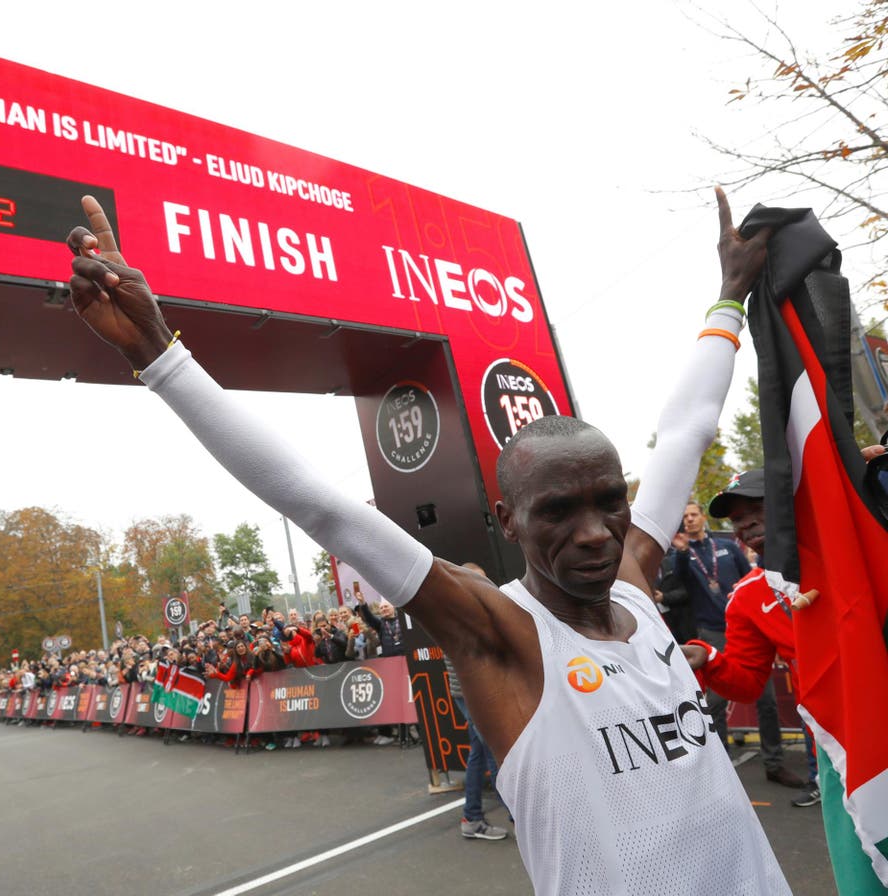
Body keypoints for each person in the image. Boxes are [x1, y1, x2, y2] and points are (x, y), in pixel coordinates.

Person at [64, 190, 789, 893]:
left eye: (609, 502)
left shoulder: (634, 579)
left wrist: (729, 296)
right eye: (559, 512)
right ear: (507, 522)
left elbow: (689, 427)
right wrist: (161, 352)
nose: (596, 532)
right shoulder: (500, 632)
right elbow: (320, 505)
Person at [681, 470, 815, 805]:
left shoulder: (846, 552)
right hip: (833, 741)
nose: (748, 524)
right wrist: (709, 657)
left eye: (758, 509)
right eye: (739, 518)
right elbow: (748, 683)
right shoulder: (746, 597)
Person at [445, 561, 508, 841]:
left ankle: (472, 816)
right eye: (476, 580)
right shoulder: (459, 611)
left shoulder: (462, 609)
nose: (482, 585)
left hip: (471, 692)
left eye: (484, 580)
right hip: (471, 693)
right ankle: (515, 815)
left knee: (480, 753)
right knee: (494, 753)